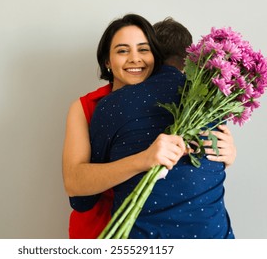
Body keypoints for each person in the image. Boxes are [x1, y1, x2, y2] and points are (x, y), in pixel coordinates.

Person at [62, 14, 236, 239]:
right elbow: (76, 186)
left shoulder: (183, 103)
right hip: (102, 226)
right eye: (123, 51)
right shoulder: (90, 107)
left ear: (156, 56)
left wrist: (226, 157)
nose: (135, 59)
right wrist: (143, 159)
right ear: (107, 61)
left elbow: (189, 173)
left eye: (143, 50)